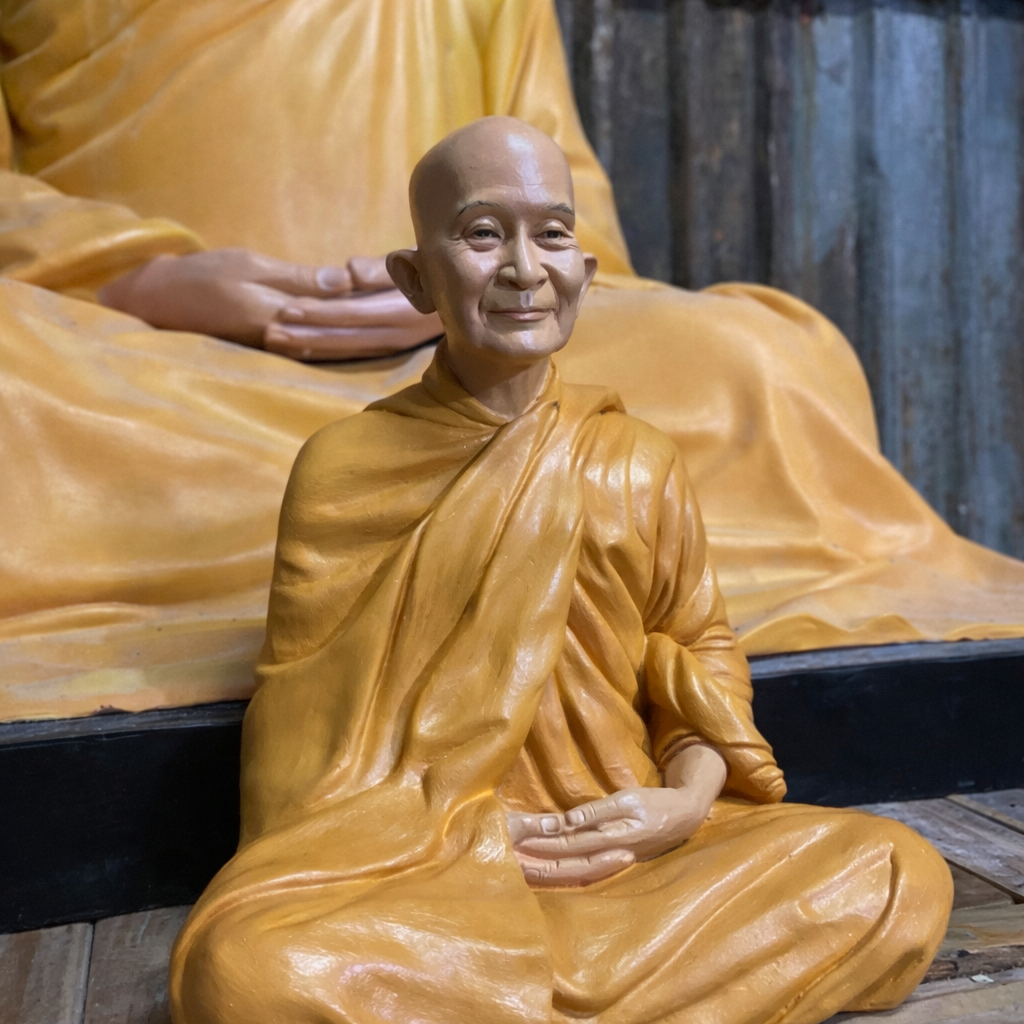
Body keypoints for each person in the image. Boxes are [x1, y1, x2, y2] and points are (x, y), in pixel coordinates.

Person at [1, 0, 1022, 722]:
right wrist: (138, 278)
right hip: (157, 362)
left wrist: (469, 289)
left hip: (473, 345)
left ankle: (452, 525)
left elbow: (567, 212)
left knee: (762, 361)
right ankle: (452, 529)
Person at [168, 117, 951, 1024]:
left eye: (551, 233)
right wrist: (459, 830)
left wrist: (683, 802)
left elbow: (698, 652)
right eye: (481, 233)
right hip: (434, 872)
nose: (523, 269)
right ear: (416, 278)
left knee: (897, 873)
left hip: (640, 853)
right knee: (241, 973)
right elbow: (298, 736)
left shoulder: (636, 459)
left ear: (584, 268)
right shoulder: (345, 468)